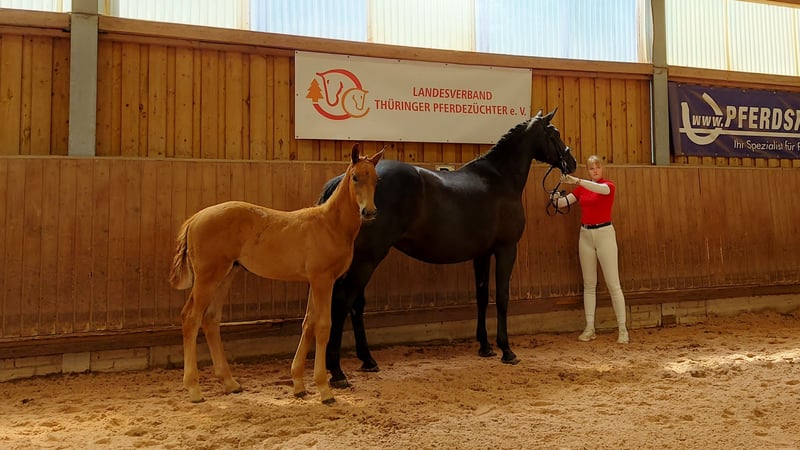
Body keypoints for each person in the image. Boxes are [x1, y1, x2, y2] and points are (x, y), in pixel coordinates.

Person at [551, 155, 629, 344]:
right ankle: (589, 327)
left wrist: (577, 180)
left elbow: (599, 189)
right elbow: (563, 203)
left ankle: (623, 328)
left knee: (613, 284)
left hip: (604, 234)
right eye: (591, 168)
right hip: (585, 235)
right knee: (589, 283)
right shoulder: (582, 189)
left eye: (597, 168)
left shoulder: (608, 186)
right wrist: (554, 197)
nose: (594, 171)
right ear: (588, 170)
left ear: (602, 169)